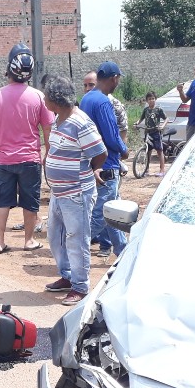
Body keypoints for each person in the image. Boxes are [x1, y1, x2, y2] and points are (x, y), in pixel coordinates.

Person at [0, 43, 54, 254]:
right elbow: (47, 128)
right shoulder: (38, 96)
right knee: (30, 200)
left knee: (2, 200)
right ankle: (28, 240)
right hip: (30, 159)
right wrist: (48, 153)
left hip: (2, 160)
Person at [42, 76, 108, 306]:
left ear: (56, 99)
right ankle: (68, 276)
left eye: (46, 95)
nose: (43, 98)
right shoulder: (58, 118)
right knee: (55, 235)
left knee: (77, 239)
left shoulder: (81, 122)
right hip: (59, 192)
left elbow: (100, 152)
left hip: (77, 193)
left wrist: (96, 170)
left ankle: (80, 286)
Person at [80, 61, 129, 259]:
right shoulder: (102, 101)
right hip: (107, 165)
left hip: (93, 163)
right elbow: (111, 136)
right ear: (114, 78)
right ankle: (73, 250)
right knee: (100, 214)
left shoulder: (87, 99)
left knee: (112, 213)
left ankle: (123, 252)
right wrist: (124, 151)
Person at [135, 91, 168, 176]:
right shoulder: (146, 110)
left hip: (156, 132)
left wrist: (162, 126)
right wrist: (136, 123)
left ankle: (162, 170)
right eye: (149, 99)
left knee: (159, 151)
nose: (151, 100)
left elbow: (166, 119)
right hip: (148, 132)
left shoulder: (158, 109)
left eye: (153, 98)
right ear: (147, 101)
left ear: (155, 99)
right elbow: (141, 119)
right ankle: (146, 170)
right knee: (148, 151)